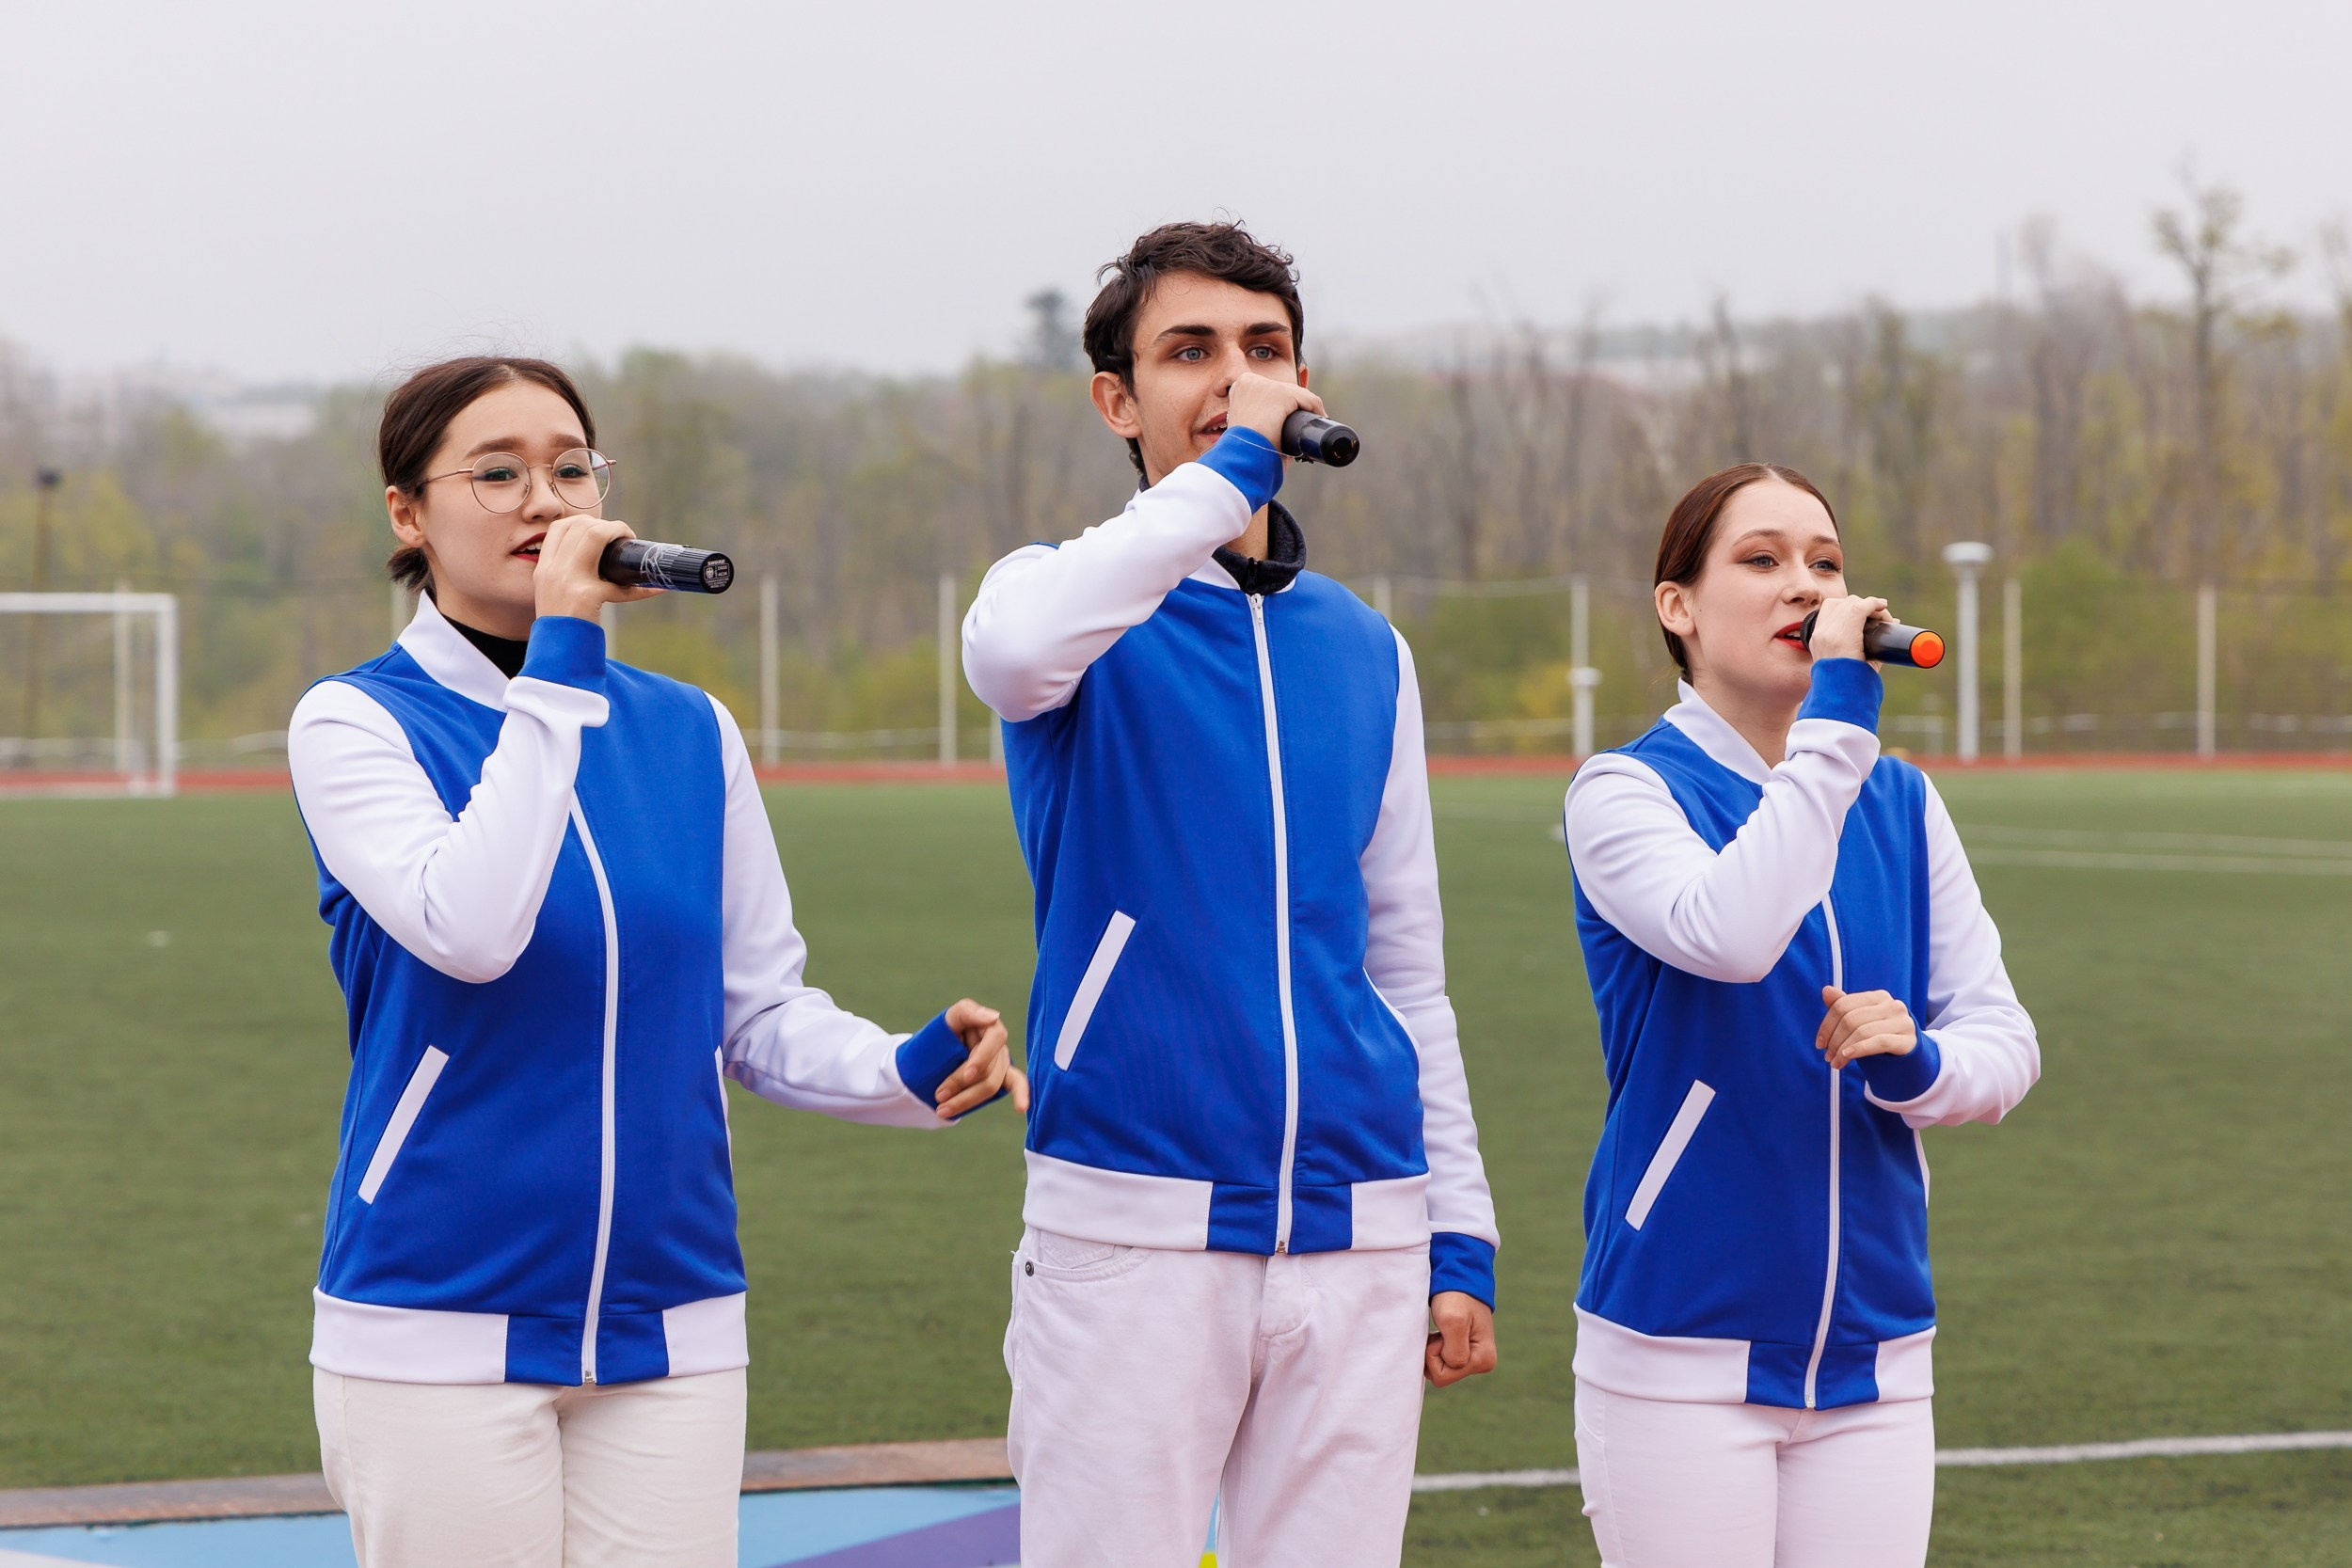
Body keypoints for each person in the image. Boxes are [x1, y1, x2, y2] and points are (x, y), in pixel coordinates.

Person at [288, 356, 1022, 1568]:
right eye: (497, 471)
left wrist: (898, 1065)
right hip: (435, 1319)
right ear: (407, 514)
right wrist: (564, 665)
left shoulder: (690, 730)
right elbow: (472, 927)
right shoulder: (357, 721)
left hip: (673, 1318)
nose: (544, 498)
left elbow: (755, 1010)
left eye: (570, 466)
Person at [961, 221, 1501, 1568]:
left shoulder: (1367, 649)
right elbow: (1017, 651)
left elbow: (1407, 965)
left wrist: (1458, 1226)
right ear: (1116, 399)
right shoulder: (1053, 601)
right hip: (1132, 1228)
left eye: (1265, 350)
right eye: (1189, 351)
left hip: (1360, 1225)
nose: (1233, 377)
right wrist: (1227, 472)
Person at [1561, 462, 2041, 1567]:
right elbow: (1730, 932)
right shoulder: (1625, 790)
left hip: (1876, 1350)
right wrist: (1836, 723)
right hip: (1678, 1345)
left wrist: (1916, 1058)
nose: (1804, 588)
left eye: (1824, 563)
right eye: (1761, 559)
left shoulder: (1902, 802)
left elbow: (2003, 1040)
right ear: (1675, 605)